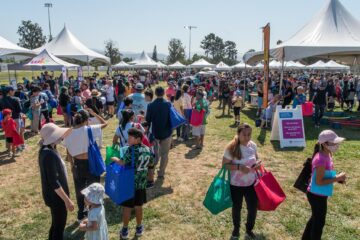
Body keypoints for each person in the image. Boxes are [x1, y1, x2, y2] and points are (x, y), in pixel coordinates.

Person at [64, 109, 108, 222]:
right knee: (94, 188)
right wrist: (95, 114)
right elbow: (105, 123)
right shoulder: (89, 129)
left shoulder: (68, 133)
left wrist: (72, 166)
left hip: (77, 164)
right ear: (86, 120)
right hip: (91, 163)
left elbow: (68, 152)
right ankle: (94, 211)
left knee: (80, 189)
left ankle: (81, 214)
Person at [302, 130, 347, 240]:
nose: (336, 145)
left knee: (315, 219)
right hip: (316, 195)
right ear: (324, 144)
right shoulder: (321, 159)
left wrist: (337, 179)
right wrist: (337, 178)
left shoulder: (327, 154)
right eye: (334, 143)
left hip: (320, 193)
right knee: (319, 223)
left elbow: (325, 175)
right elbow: (319, 181)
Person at [111, 128, 154, 239]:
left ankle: (125, 230)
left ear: (138, 139)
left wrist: (114, 158)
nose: (128, 139)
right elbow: (151, 164)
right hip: (141, 184)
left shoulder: (131, 150)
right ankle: (139, 227)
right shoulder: (147, 149)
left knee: (127, 207)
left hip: (129, 184)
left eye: (130, 137)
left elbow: (122, 162)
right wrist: (150, 179)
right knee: (139, 206)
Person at [222, 123, 262, 240]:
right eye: (244, 134)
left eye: (249, 134)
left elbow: (257, 158)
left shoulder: (253, 145)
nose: (247, 137)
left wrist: (258, 164)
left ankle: (249, 229)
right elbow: (224, 166)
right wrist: (239, 167)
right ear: (238, 134)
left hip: (251, 183)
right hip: (236, 185)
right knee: (237, 207)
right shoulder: (231, 147)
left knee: (253, 207)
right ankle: (236, 229)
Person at [38, 123, 74, 240]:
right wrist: (67, 201)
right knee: (59, 227)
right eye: (58, 135)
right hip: (56, 197)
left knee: (56, 223)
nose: (61, 136)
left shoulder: (47, 149)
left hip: (53, 196)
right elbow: (54, 182)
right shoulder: (49, 155)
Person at [146, 86, 172, 179]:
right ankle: (161, 173)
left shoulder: (151, 105)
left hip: (155, 133)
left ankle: (151, 171)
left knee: (155, 154)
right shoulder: (168, 104)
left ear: (155, 94)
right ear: (164, 93)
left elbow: (148, 120)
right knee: (165, 154)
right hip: (167, 132)